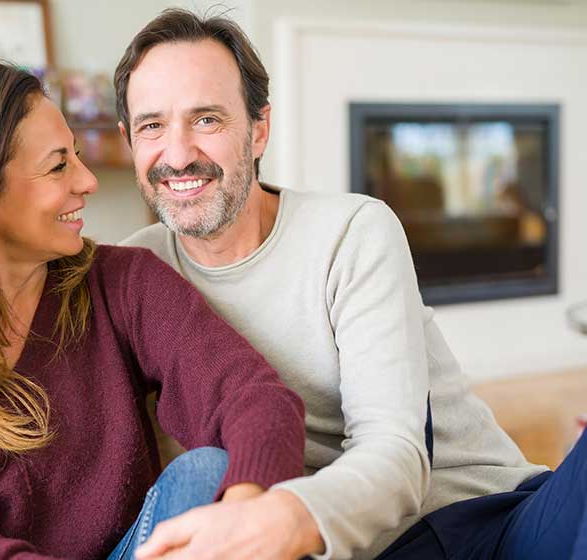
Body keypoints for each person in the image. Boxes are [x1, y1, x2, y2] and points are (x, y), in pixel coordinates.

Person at [115, 9, 587, 560]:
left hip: (489, 519)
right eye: (152, 125)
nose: (176, 154)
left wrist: (284, 517)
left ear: (259, 128)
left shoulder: (352, 231)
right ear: (128, 139)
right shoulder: (131, 273)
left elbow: (395, 452)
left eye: (207, 119)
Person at [0, 61, 307, 559]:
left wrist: (249, 512)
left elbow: (251, 395)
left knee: (206, 474)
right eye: (58, 165)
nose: (88, 182)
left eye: (77, 157)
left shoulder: (123, 283)